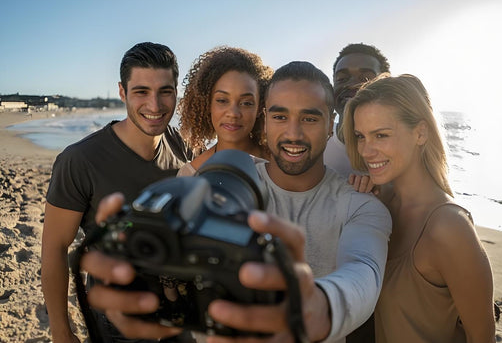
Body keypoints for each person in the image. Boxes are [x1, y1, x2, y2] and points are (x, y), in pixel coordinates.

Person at [78, 61, 392, 343]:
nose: (293, 134)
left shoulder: (361, 206)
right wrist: (137, 278)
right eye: (280, 116)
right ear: (265, 119)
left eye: (310, 119)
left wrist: (319, 306)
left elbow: (363, 273)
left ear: (331, 125)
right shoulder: (214, 187)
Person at [41, 42, 191, 343]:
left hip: (181, 315)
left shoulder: (181, 144)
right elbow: (54, 248)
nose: (155, 105)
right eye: (141, 92)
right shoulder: (80, 160)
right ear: (122, 92)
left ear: (176, 92)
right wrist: (61, 330)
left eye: (165, 91)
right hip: (118, 325)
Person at [343, 73, 495, 342]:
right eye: (360, 136)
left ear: (420, 133)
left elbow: (481, 336)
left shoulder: (449, 227)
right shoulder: (376, 204)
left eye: (381, 135)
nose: (366, 151)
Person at [177, 46, 272, 176]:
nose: (233, 113)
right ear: (207, 104)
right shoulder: (190, 175)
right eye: (222, 100)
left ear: (260, 108)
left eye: (246, 103)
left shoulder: (280, 165)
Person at [324, 43, 390, 181]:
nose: (352, 84)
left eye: (365, 79)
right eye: (342, 79)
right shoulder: (316, 147)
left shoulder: (397, 150)